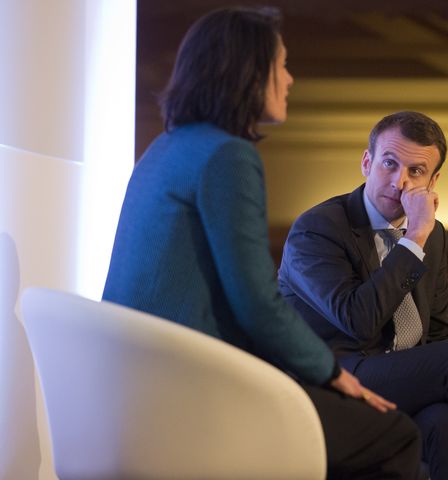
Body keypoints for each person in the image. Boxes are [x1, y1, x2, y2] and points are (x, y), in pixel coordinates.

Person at [102, 8, 423, 479]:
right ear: (250, 73)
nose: (290, 79)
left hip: (132, 390)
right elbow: (255, 301)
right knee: (395, 434)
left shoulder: (166, 147)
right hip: (187, 394)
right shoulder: (228, 156)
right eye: (282, 65)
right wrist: (334, 374)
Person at [278, 110, 448, 480]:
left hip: (394, 380)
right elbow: (357, 320)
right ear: (367, 162)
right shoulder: (318, 229)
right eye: (390, 164)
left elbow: (440, 333)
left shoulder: (433, 235)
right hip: (330, 380)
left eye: (416, 171)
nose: (399, 182)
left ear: (433, 180)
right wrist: (413, 241)